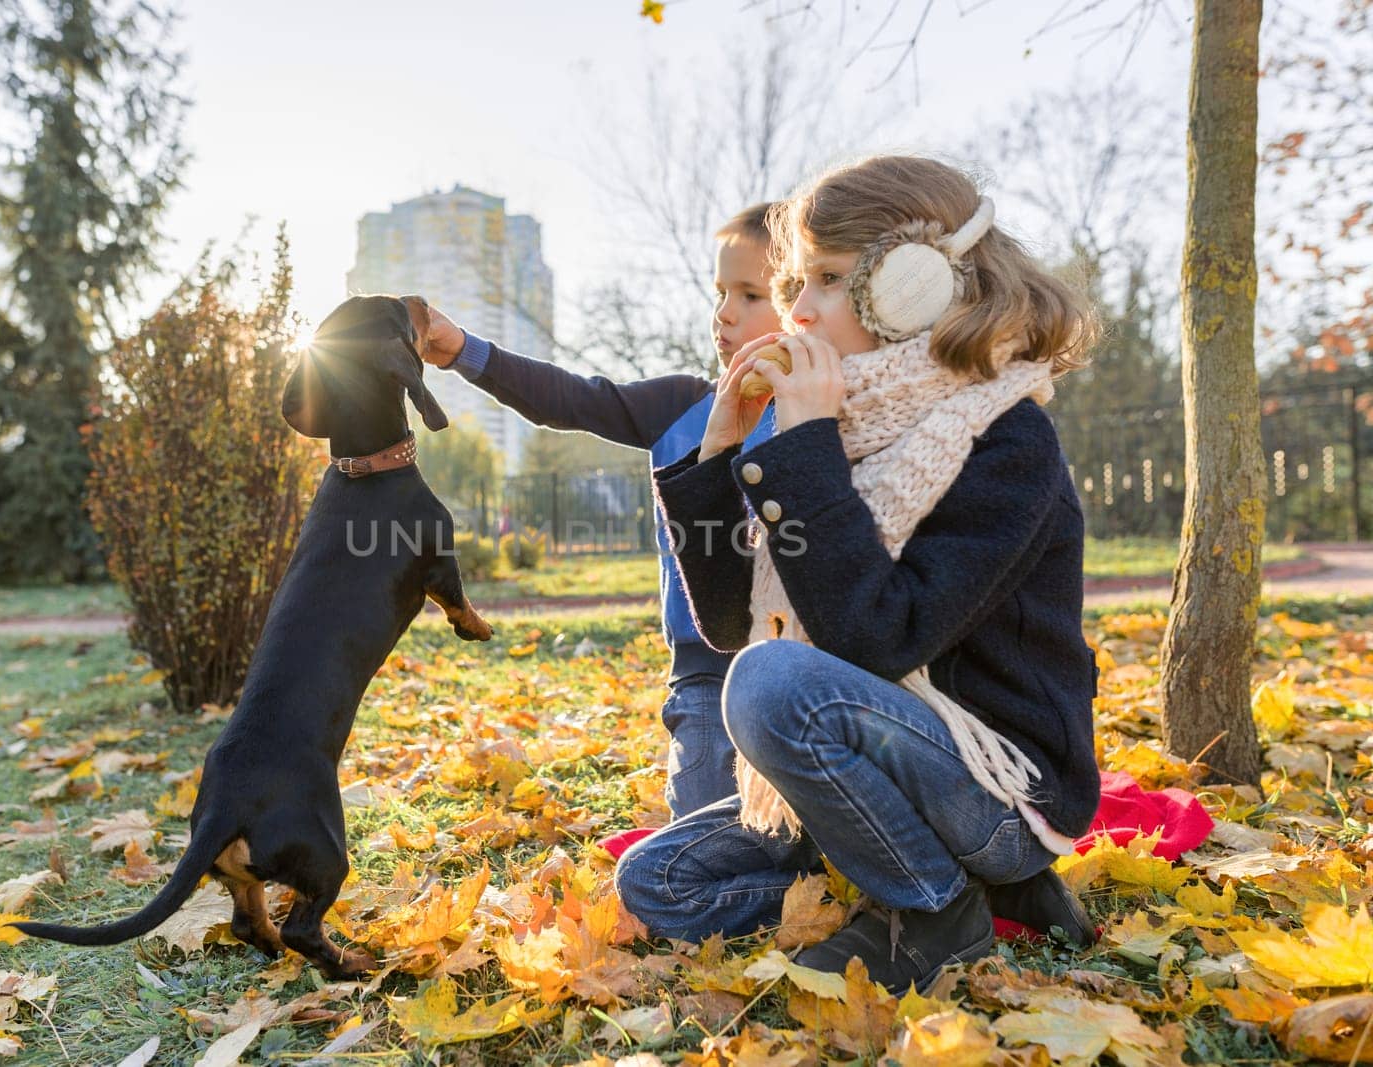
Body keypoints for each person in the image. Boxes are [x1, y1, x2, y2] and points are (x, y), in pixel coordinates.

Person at [613, 155, 1102, 994]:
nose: (798, 309)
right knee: (658, 882)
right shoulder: (845, 425)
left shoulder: (1005, 437)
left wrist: (803, 452)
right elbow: (728, 625)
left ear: (914, 284)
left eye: (828, 280)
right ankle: (943, 891)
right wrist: (722, 447)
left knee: (768, 686)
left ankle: (939, 910)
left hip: (1001, 794)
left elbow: (877, 637)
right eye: (798, 281)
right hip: (882, 768)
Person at [419, 204, 783, 819]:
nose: (723, 313)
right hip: (706, 682)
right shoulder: (679, 404)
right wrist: (461, 350)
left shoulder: (832, 413)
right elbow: (569, 401)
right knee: (707, 835)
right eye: (720, 292)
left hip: (801, 673)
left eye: (750, 295)